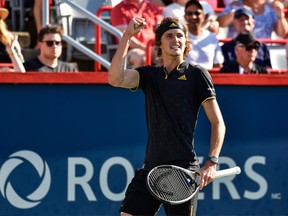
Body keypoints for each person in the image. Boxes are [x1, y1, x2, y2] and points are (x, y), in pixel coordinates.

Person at [108, 16, 226, 215]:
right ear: (159, 44)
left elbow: (218, 122)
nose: (175, 40)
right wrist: (127, 36)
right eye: (169, 36)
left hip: (183, 171)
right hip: (151, 169)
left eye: (180, 36)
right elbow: (115, 78)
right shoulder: (148, 75)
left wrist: (212, 162)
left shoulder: (197, 74)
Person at [110, 0, 163, 68]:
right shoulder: (119, 8)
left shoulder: (153, 7)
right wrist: (148, 50)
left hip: (153, 48)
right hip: (131, 50)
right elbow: (125, 36)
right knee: (143, 58)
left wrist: (157, 48)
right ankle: (136, 78)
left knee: (169, 58)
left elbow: (161, 30)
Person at [217, 0, 288, 38]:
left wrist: (280, 15)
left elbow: (283, 34)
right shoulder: (235, 5)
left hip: (263, 54)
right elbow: (221, 23)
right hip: (238, 52)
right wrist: (235, 13)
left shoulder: (272, 7)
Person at [184, 0, 224, 69]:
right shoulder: (180, 37)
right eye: (189, 13)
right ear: (185, 17)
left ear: (204, 16)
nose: (193, 17)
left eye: (197, 13)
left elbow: (218, 65)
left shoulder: (212, 37)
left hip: (209, 78)